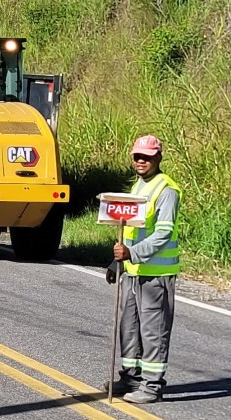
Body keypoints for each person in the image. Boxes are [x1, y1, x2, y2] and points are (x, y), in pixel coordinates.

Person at [105, 135, 182, 404]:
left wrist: (132, 254)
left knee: (153, 331)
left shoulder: (166, 190)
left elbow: (163, 234)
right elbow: (129, 230)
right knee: (129, 328)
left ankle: (151, 387)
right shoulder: (139, 187)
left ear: (158, 158)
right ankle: (130, 379)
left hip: (155, 275)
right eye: (137, 156)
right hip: (133, 271)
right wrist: (118, 262)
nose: (141, 161)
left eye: (147, 157)